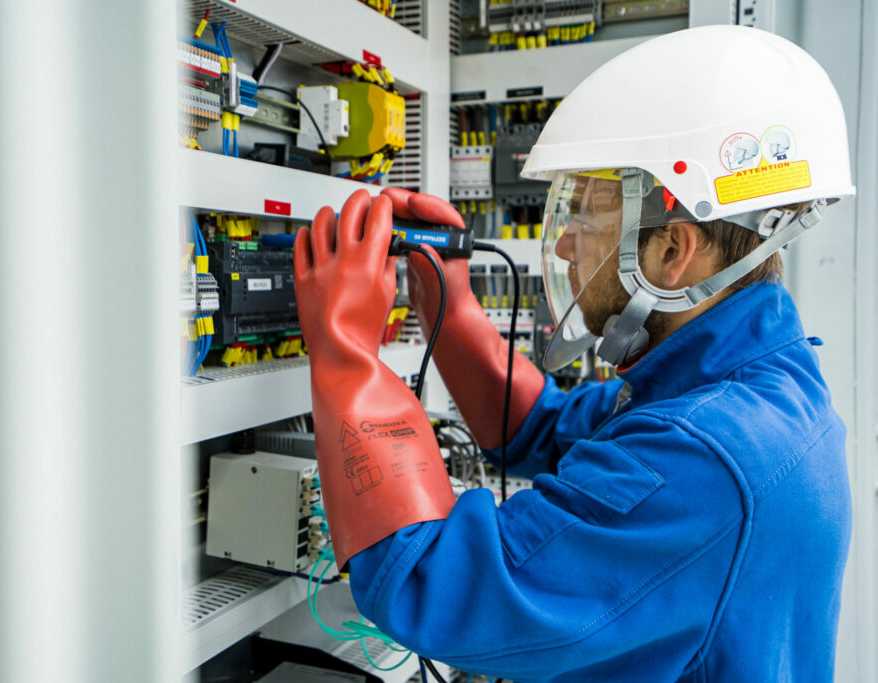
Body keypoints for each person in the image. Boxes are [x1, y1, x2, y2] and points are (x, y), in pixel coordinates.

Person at [293, 25, 854, 681]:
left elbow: (430, 583)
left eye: (586, 217)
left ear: (673, 252)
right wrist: (449, 302)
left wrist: (345, 350)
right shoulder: (746, 381)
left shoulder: (706, 457)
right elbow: (536, 427)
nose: (563, 248)